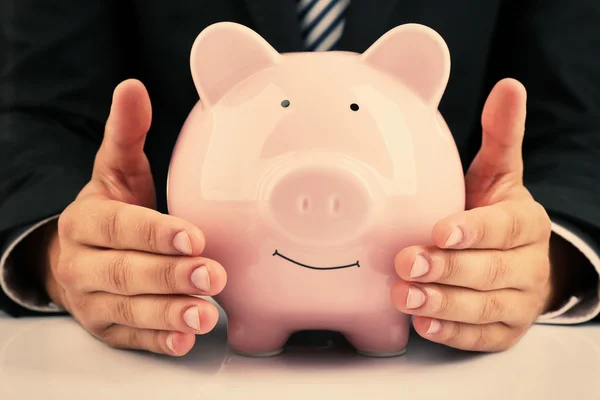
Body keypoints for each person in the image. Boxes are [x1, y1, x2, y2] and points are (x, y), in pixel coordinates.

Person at [0, 0, 599, 357]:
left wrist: (547, 260)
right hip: (192, 315)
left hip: (432, 306)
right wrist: (62, 251)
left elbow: (582, 119)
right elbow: (33, 106)